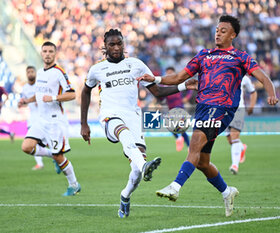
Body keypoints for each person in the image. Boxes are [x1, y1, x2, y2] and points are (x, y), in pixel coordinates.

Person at [138, 15, 278, 217]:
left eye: (223, 30)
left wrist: (271, 93)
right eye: (217, 30)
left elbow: (263, 78)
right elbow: (179, 77)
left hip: (223, 108)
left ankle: (175, 186)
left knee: (195, 142)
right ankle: (227, 191)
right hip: (203, 108)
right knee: (202, 162)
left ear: (233, 35)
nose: (218, 33)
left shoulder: (241, 57)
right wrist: (156, 78)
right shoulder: (204, 55)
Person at [80, 29, 197, 218]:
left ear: (124, 44)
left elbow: (157, 92)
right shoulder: (97, 69)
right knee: (124, 134)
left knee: (134, 170)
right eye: (112, 44)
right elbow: (85, 91)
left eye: (119, 43)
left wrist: (184, 86)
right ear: (105, 46)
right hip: (109, 116)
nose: (116, 47)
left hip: (133, 117)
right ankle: (145, 166)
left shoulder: (136, 65)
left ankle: (125, 195)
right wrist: (83, 124)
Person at [18, 41, 80, 196]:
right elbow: (39, 95)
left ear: (55, 53)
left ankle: (74, 185)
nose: (47, 54)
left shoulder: (59, 72)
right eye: (44, 51)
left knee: (60, 156)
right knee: (26, 147)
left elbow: (72, 94)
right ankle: (51, 155)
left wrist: (53, 97)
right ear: (41, 53)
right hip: (40, 119)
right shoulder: (40, 72)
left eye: (50, 51)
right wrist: (26, 101)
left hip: (54, 120)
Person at [227, 75, 257, 175]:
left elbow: (253, 92)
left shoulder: (244, 78)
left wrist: (251, 106)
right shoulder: (222, 73)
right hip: (223, 110)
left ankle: (235, 165)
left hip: (238, 109)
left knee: (234, 136)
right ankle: (241, 147)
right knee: (230, 140)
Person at [18, 66, 44, 170]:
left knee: (46, 142)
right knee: (32, 142)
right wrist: (21, 104)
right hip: (32, 118)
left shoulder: (40, 86)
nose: (30, 74)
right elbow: (24, 102)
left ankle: (57, 158)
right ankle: (40, 163)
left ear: (35, 73)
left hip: (43, 117)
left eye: (32, 71)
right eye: (28, 72)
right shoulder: (25, 88)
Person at [160, 67, 192, 151]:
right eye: (168, 72)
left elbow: (189, 89)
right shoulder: (164, 85)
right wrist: (160, 101)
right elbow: (160, 96)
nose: (169, 74)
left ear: (174, 73)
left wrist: (187, 98)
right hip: (170, 107)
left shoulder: (178, 81)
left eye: (171, 72)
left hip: (179, 106)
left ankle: (179, 139)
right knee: (178, 128)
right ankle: (187, 145)